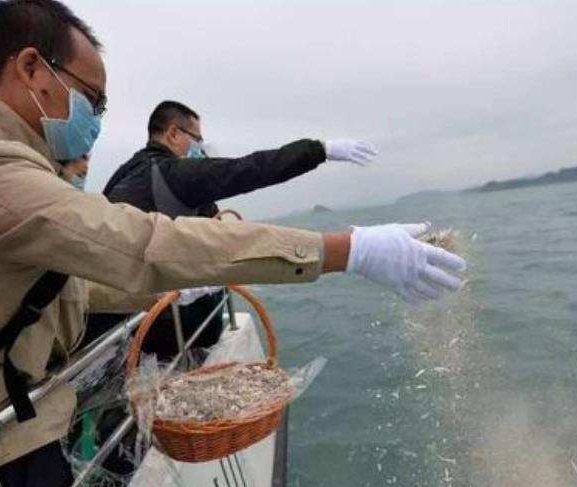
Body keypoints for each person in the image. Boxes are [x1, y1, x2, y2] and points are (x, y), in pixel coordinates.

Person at [0, 1, 466, 487]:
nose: (97, 122)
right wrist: (347, 248)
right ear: (31, 66)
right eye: (92, 100)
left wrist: (168, 291)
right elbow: (148, 242)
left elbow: (64, 283)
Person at [100, 100, 379, 358]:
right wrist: (319, 149)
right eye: (197, 138)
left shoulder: (124, 175)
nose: (201, 147)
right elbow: (248, 169)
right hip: (161, 327)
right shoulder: (173, 173)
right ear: (173, 134)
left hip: (115, 321)